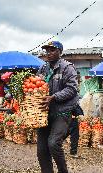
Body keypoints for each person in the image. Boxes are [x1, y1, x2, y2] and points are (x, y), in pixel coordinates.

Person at [37, 41, 79, 173]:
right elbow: (36, 85)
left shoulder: (67, 67)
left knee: (53, 143)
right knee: (42, 150)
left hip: (62, 112)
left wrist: (54, 97)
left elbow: (72, 89)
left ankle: (63, 170)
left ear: (60, 52)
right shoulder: (43, 68)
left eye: (52, 50)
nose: (48, 53)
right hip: (44, 113)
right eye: (47, 51)